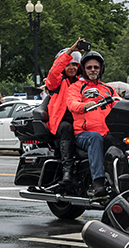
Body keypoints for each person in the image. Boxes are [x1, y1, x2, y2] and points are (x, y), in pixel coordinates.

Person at [65, 50, 119, 197]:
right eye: (89, 67)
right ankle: (98, 183)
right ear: (84, 70)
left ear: (101, 69)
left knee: (122, 140)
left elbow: (119, 103)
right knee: (95, 138)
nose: (93, 70)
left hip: (105, 132)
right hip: (84, 134)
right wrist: (84, 105)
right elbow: (72, 103)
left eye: (96, 67)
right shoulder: (77, 87)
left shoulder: (108, 88)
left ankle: (121, 179)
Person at [45, 41, 83, 184]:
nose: (72, 67)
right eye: (68, 64)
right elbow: (54, 71)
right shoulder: (56, 82)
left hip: (80, 122)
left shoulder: (80, 83)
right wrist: (72, 50)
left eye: (74, 64)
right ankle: (67, 170)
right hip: (61, 122)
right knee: (67, 128)